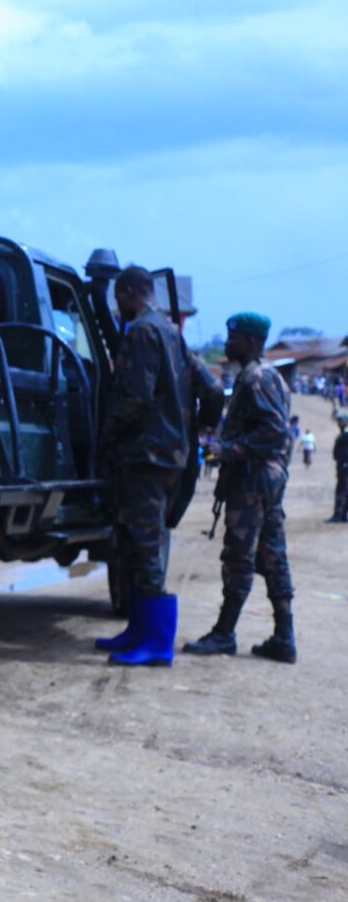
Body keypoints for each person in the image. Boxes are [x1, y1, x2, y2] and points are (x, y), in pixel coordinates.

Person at [92, 266, 220, 666]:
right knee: (135, 546)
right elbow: (213, 389)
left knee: (145, 551)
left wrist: (107, 434)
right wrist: (196, 429)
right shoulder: (171, 332)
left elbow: (135, 398)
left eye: (119, 299)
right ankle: (138, 631)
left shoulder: (142, 332)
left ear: (131, 292)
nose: (118, 308)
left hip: (145, 458)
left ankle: (157, 644)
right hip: (169, 458)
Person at [183, 312, 296, 664]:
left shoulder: (257, 378)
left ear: (250, 341)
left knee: (238, 556)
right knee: (272, 555)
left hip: (252, 480)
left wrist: (227, 449)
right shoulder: (265, 376)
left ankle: (224, 633)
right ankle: (284, 638)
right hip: (265, 479)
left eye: (233, 338)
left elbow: (274, 431)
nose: (228, 343)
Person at [330, 413, 348, 523]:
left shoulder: (345, 434)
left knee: (342, 490)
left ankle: (340, 514)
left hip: (345, 466)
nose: (338, 423)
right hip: (342, 466)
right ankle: (342, 514)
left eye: (341, 421)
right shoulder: (343, 433)